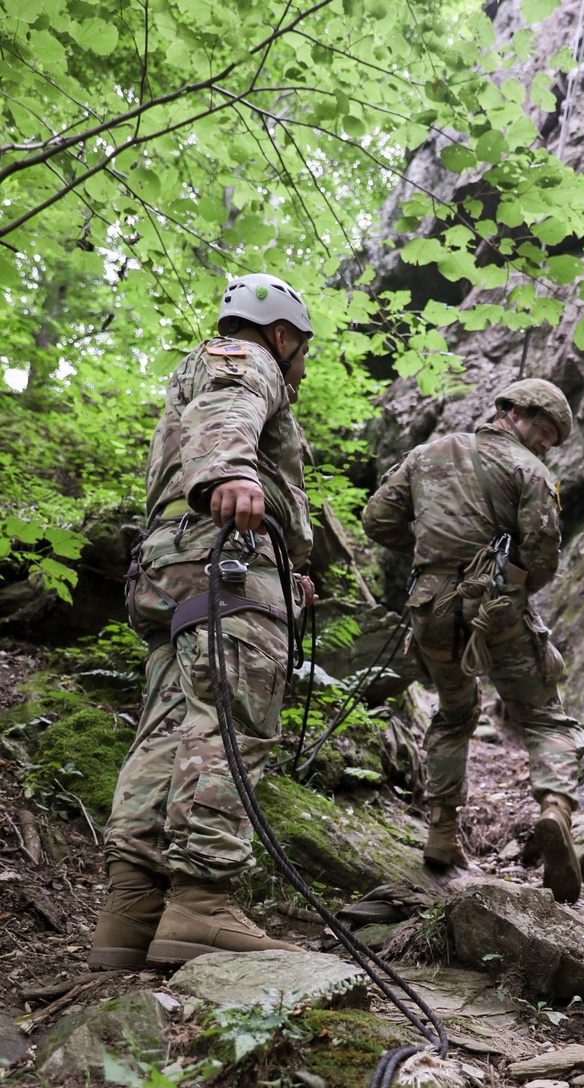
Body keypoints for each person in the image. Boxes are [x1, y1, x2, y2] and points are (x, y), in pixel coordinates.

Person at [88, 273, 315, 969]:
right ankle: (201, 902)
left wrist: (287, 563)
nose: (300, 365)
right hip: (224, 559)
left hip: (172, 565)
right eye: (301, 350)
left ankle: (131, 910)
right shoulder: (247, 362)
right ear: (281, 335)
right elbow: (230, 408)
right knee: (230, 716)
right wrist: (231, 476)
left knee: (167, 726)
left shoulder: (194, 370)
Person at [362, 378, 584, 903]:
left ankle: (441, 832)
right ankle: (555, 809)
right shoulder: (532, 473)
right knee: (543, 715)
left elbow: (377, 520)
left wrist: (430, 550)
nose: (544, 443)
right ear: (513, 411)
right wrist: (507, 584)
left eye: (552, 439)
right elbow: (544, 556)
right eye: (543, 429)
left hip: (429, 605)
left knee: (454, 711)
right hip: (496, 604)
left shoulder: (426, 454)